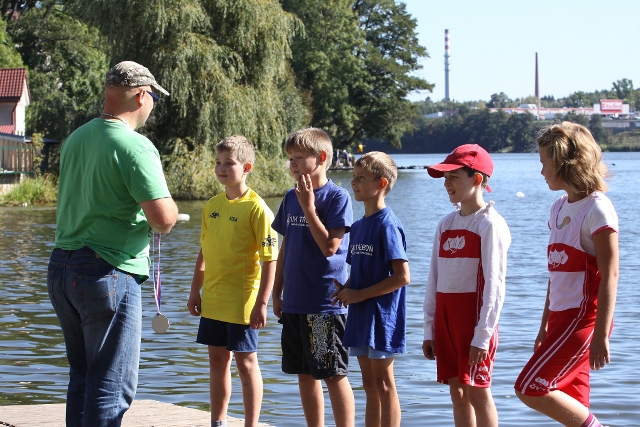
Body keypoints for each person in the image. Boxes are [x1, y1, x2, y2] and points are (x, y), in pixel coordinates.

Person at [47, 61, 178, 427]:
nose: (152, 105)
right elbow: (163, 220)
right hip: (107, 271)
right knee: (111, 385)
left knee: (83, 378)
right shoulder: (135, 146)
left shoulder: (76, 138)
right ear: (141, 96)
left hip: (62, 268)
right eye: (153, 98)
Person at [515, 122, 619, 427]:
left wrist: (600, 334)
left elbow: (611, 274)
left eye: (545, 163)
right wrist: (544, 326)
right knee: (575, 406)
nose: (541, 171)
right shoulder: (558, 207)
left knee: (529, 387)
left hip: (584, 320)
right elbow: (555, 276)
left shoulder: (598, 209)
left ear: (565, 163)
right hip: (560, 320)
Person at [186, 135, 278, 427]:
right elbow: (204, 252)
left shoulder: (257, 208)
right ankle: (218, 421)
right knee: (217, 361)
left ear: (246, 167)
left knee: (245, 362)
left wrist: (262, 304)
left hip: (242, 300)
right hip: (213, 298)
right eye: (217, 163)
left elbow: (270, 260)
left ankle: (251, 424)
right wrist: (194, 291)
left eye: (229, 163)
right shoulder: (212, 205)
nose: (221, 169)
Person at [272, 127, 355, 427]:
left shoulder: (336, 197)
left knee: (332, 373)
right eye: (290, 159)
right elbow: (285, 248)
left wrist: (309, 207)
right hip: (295, 302)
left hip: (323, 305)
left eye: (298, 157)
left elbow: (330, 248)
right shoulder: (290, 197)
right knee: (304, 373)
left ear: (321, 158)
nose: (292, 164)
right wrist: (276, 292)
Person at [422, 144, 511, 427]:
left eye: (453, 177)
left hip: (473, 322)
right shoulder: (445, 224)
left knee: (477, 393)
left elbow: (495, 285)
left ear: (477, 179)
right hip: (446, 320)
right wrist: (429, 328)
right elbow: (434, 279)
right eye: (445, 178)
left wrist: (482, 336)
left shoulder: (490, 224)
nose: (446, 183)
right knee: (457, 394)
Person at [331, 151, 410, 427]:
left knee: (384, 383)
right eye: (354, 177)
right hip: (361, 315)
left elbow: (402, 276)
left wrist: (359, 295)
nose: (354, 183)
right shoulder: (358, 227)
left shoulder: (388, 225)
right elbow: (359, 271)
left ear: (381, 184)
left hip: (382, 317)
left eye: (361, 178)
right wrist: (345, 289)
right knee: (368, 384)